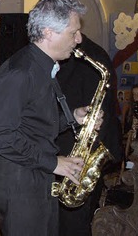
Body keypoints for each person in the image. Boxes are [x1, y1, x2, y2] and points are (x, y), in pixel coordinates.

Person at [0, 0, 92, 235]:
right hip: (20, 182)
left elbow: (34, 121)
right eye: (72, 32)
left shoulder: (42, 66)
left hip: (34, 175)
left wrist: (72, 117)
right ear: (47, 32)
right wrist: (54, 163)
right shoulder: (21, 73)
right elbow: (0, 135)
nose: (79, 38)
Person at [55, 33, 123, 236]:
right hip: (72, 152)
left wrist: (84, 162)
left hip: (80, 157)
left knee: (73, 225)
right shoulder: (76, 55)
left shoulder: (89, 58)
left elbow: (100, 116)